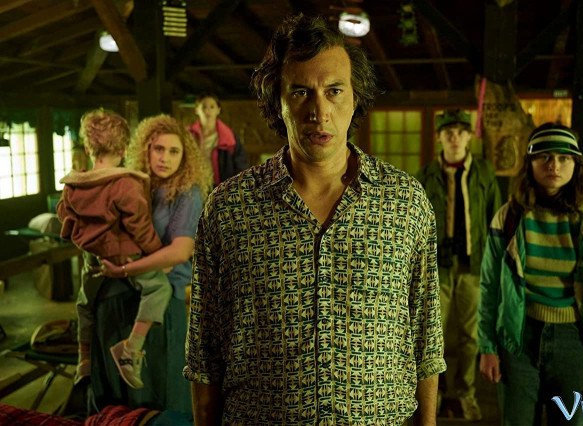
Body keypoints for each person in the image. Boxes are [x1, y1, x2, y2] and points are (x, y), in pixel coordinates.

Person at [184, 14, 446, 426]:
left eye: (334, 91)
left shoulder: (404, 202)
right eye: (301, 92)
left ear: (355, 99)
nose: (319, 112)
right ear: (278, 101)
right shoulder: (230, 209)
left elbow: (426, 337)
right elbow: (205, 352)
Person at [478, 123, 583, 425]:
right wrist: (487, 347)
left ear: (576, 164)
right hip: (519, 337)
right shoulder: (509, 218)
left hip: (577, 341)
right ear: (530, 163)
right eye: (544, 156)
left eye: (564, 157)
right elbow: (490, 286)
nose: (554, 165)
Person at [92, 114, 210, 417]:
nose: (165, 158)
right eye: (159, 149)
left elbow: (180, 251)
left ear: (184, 157)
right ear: (145, 149)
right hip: (124, 293)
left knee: (161, 390)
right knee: (120, 393)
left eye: (174, 151)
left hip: (163, 299)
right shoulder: (132, 184)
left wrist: (124, 269)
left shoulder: (187, 192)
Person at [56, 109, 171, 389]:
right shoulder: (125, 183)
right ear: (123, 148)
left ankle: (84, 359)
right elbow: (140, 227)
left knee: (84, 303)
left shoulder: (74, 185)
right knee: (160, 288)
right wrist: (157, 255)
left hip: (92, 257)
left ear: (88, 148)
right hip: (123, 255)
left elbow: (63, 214)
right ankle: (131, 349)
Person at [415, 108, 501, 420]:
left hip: (473, 264)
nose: (454, 137)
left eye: (461, 132)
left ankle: (465, 394)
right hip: (437, 266)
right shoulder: (426, 175)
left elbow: (495, 218)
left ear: (469, 137)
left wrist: (494, 263)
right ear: (439, 136)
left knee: (470, 335)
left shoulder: (484, 172)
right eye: (448, 132)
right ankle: (434, 394)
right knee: (432, 334)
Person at [188, 92, 249, 185]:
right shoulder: (188, 135)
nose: (208, 111)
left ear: (218, 110)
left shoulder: (230, 137)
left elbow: (241, 164)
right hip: (194, 184)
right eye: (204, 107)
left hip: (221, 185)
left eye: (212, 107)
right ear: (197, 110)